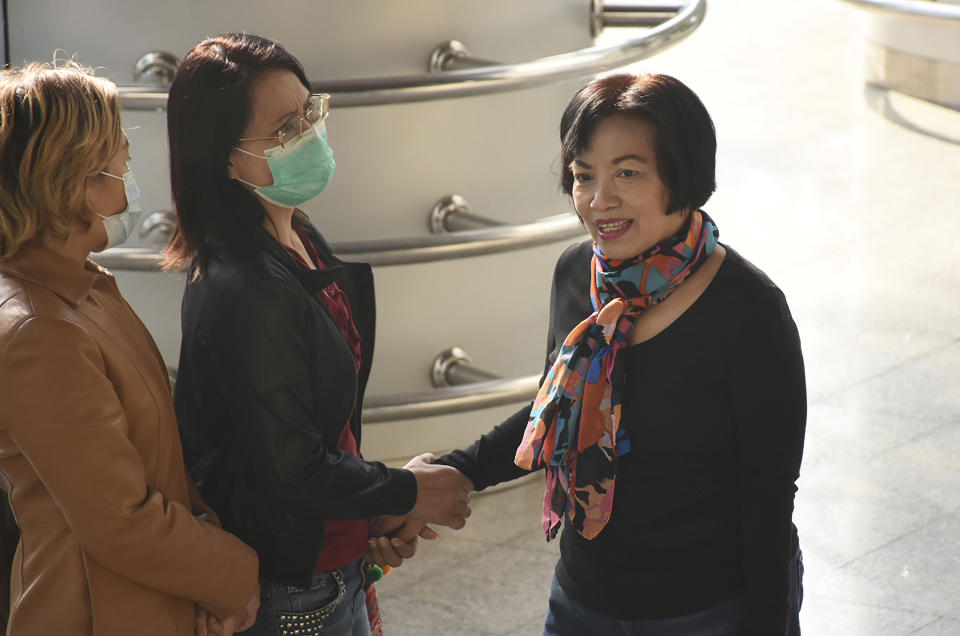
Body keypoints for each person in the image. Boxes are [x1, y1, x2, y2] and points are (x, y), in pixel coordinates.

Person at [434, 73, 806, 635]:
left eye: (627, 173)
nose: (599, 200)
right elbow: (554, 407)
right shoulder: (575, 275)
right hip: (583, 602)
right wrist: (457, 471)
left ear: (680, 175)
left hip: (707, 611)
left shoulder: (749, 311)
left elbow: (769, 497)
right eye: (584, 175)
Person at [162, 34, 472, 636]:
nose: (308, 135)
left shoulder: (293, 232)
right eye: (283, 130)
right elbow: (293, 469)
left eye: (309, 112)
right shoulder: (245, 287)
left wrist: (374, 508)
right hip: (290, 590)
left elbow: (325, 427)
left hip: (334, 562)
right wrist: (408, 491)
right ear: (225, 159)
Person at [0, 61, 260, 635]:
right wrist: (236, 575)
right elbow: (119, 519)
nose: (130, 174)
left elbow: (155, 464)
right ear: (74, 178)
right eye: (121, 157)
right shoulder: (40, 331)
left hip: (147, 599)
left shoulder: (79, 289)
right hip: (98, 613)